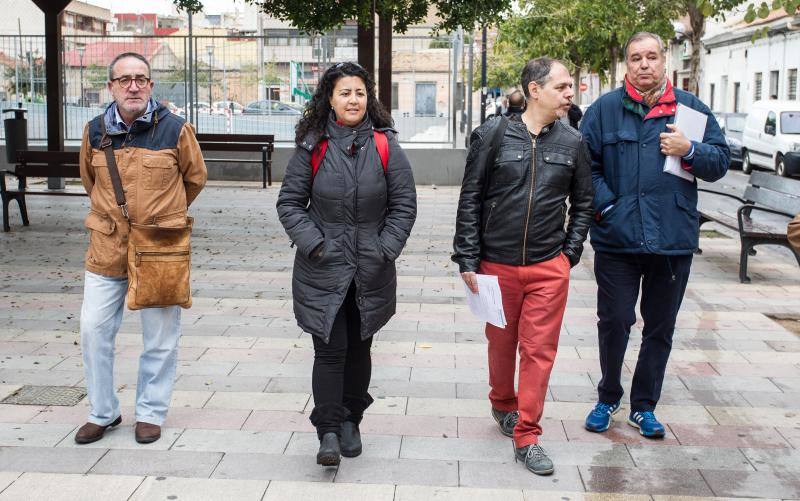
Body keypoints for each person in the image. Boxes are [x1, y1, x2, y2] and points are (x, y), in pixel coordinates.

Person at [580, 32, 729, 438]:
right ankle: (608, 395)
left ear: (665, 62)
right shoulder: (604, 110)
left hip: (672, 239)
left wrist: (690, 150)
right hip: (617, 239)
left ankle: (644, 406)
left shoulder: (691, 110)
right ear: (626, 65)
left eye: (651, 57)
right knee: (614, 321)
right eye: (635, 58)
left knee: (660, 326)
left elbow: (720, 161)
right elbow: (585, 168)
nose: (644, 64)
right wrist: (607, 208)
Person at [453, 57, 593, 475]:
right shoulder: (493, 135)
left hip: (549, 268)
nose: (571, 93)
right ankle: (502, 403)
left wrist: (568, 255)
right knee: (501, 345)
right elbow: (470, 197)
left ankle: (527, 434)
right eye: (563, 86)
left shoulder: (574, 142)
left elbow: (584, 203)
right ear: (535, 90)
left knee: (538, 352)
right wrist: (467, 257)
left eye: (571, 87)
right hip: (496, 265)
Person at [276, 62, 417, 466]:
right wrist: (316, 245)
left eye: (359, 92)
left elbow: (404, 205)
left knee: (359, 348)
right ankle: (328, 433)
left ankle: (353, 419)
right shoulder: (313, 144)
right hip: (322, 268)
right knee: (330, 350)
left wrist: (384, 248)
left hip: (371, 269)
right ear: (330, 99)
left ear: (368, 97)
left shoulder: (385, 144)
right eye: (344, 93)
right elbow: (290, 203)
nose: (353, 100)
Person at [76, 52, 207, 445]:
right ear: (111, 86)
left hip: (159, 249)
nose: (133, 85)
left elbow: (194, 179)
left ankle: (150, 412)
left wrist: (163, 215)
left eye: (141, 79)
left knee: (160, 337)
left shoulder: (176, 129)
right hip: (106, 247)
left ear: (151, 85)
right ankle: (102, 411)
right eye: (124, 79)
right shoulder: (95, 130)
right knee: (93, 331)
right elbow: (90, 182)